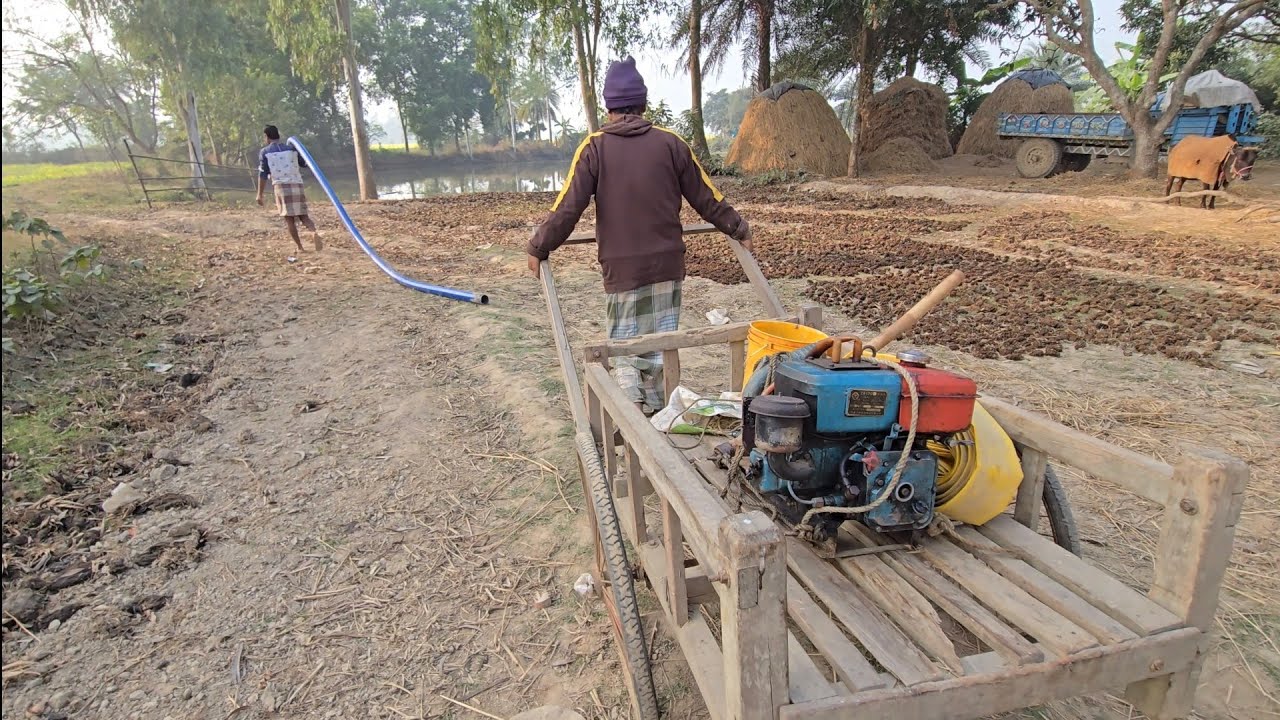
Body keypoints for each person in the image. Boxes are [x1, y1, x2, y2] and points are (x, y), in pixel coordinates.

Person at [526, 56, 753, 415]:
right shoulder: (671, 143)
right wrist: (738, 228)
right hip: (666, 264)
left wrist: (539, 246)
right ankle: (659, 410)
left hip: (623, 269)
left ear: (608, 105)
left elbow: (568, 206)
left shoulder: (594, 147)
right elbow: (706, 196)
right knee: (661, 343)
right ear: (644, 104)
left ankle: (632, 419)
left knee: (626, 348)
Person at [256, 125, 322, 254]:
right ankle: (313, 232)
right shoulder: (292, 148)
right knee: (304, 216)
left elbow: (263, 174)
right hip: (297, 184)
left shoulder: (265, 152)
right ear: (278, 135)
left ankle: (300, 247)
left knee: (289, 219)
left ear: (267, 137)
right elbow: (304, 163)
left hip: (281, 187)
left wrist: (259, 194)